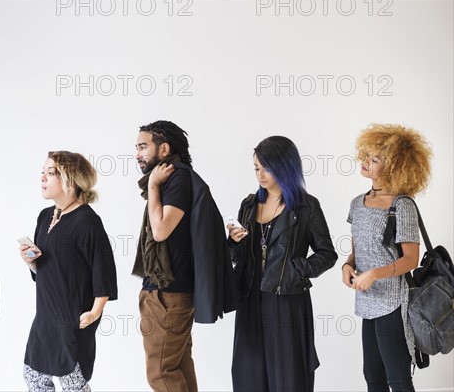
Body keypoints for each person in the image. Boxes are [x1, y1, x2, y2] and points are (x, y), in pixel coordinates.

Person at [132, 120, 236, 392]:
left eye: (143, 147)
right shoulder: (175, 176)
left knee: (161, 374)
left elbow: (161, 230)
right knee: (178, 366)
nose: (137, 154)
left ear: (163, 148)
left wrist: (153, 187)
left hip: (167, 295)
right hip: (169, 292)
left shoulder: (175, 177)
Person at [228, 135, 337, 392]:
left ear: (285, 166)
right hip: (250, 297)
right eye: (256, 167)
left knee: (288, 376)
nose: (260, 174)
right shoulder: (249, 205)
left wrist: (295, 269)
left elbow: (327, 254)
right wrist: (233, 242)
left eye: (267, 167)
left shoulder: (306, 206)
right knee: (248, 374)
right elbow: (239, 257)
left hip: (287, 300)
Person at [342, 124, 432, 391]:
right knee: (372, 376)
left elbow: (410, 260)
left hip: (392, 304)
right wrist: (347, 265)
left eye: (375, 159)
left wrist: (374, 274)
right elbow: (358, 249)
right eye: (366, 155)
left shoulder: (401, 205)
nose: (365, 161)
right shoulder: (357, 203)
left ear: (394, 167)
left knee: (399, 379)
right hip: (367, 301)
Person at [20, 151, 118, 392]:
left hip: (71, 318)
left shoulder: (87, 221)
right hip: (45, 316)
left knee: (72, 381)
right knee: (33, 376)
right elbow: (47, 267)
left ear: (70, 181)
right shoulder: (45, 217)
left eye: (50, 173)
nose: (42, 177)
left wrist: (94, 313)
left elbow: (103, 270)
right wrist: (31, 261)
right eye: (42, 172)